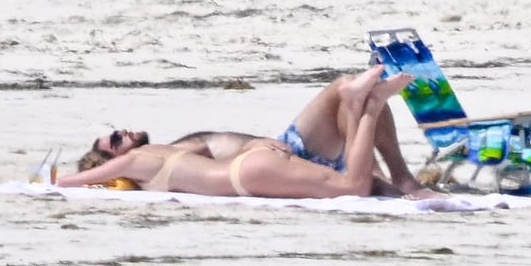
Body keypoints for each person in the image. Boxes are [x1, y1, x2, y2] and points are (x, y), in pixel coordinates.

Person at [58, 68, 414, 199]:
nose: (122, 133)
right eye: (115, 141)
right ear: (115, 160)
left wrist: (57, 180)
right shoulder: (154, 156)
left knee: (355, 186)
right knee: (357, 183)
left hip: (251, 170)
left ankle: (364, 104)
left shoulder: (149, 157)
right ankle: (363, 104)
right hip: (258, 163)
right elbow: (85, 178)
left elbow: (73, 182)